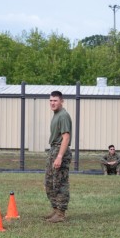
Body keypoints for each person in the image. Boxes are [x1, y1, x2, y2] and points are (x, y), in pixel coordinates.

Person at [45, 90, 72, 223]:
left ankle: (61, 213)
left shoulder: (63, 115)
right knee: (50, 183)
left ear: (62, 101)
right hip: (54, 150)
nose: (52, 103)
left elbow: (66, 137)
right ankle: (56, 210)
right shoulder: (56, 114)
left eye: (55, 100)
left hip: (60, 150)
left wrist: (60, 156)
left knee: (60, 183)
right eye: (50, 100)